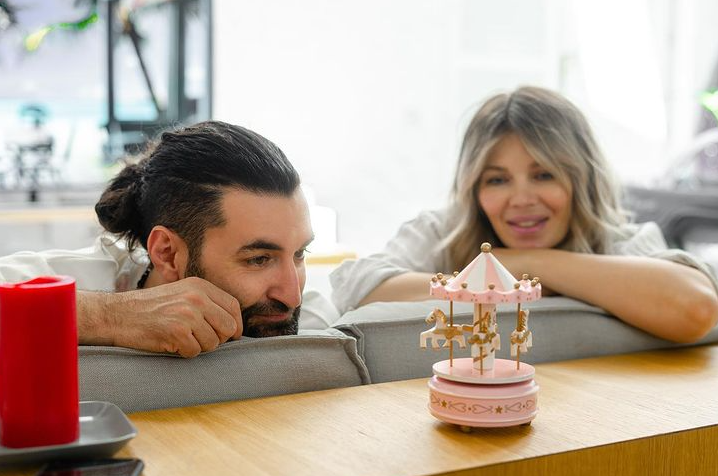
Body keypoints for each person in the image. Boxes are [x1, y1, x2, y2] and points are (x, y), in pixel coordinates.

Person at [331, 86, 718, 343]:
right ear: (474, 188)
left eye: (544, 174)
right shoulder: (443, 230)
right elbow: (358, 290)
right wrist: (497, 276)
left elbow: (696, 306)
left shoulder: (618, 240)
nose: (521, 199)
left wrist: (528, 263)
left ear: (582, 180)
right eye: (497, 180)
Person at [0, 121, 314, 357]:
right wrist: (115, 317)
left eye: (300, 253)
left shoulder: (308, 314)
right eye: (259, 259)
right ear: (167, 253)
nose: (293, 296)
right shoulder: (73, 276)